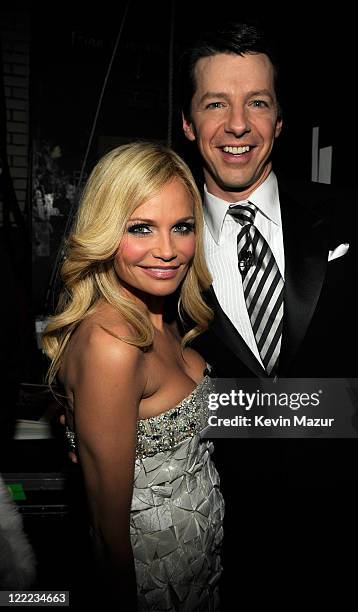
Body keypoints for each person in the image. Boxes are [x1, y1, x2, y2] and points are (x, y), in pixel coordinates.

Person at [178, 21, 358, 606]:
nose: (238, 125)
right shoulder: (164, 249)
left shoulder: (351, 215)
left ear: (279, 122)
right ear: (188, 123)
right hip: (225, 543)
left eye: (257, 103)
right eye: (215, 104)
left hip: (357, 527)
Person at [42, 142, 224, 611]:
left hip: (197, 567)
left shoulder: (163, 316)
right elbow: (107, 539)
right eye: (140, 228)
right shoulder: (113, 345)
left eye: (182, 227)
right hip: (151, 585)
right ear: (105, 232)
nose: (167, 251)